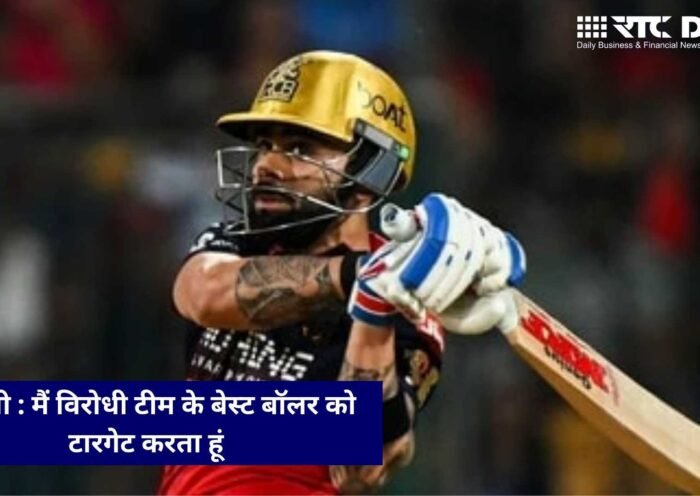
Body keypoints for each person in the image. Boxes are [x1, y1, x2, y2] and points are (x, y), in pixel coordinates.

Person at [158, 50, 526, 495]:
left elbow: (359, 469)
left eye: (300, 150)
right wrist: (362, 275)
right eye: (264, 146)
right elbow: (201, 296)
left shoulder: (406, 306)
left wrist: (374, 305)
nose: (265, 166)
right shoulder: (236, 242)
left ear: (371, 172)